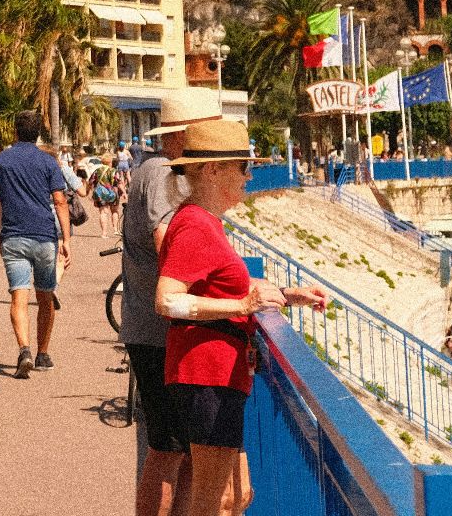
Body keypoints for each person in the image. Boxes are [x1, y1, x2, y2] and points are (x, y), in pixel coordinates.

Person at [158, 119, 327, 516]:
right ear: (213, 170)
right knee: (211, 503)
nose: (250, 176)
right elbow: (167, 300)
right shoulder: (196, 225)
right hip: (206, 375)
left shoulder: (201, 221)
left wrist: (284, 294)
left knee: (234, 495)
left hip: (215, 375)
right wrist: (243, 307)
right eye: (242, 167)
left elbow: (218, 283)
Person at [127, 88, 215, 516]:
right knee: (168, 448)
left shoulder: (156, 169)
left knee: (180, 451)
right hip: (160, 331)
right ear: (187, 134)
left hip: (155, 327)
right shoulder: (163, 173)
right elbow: (170, 248)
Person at [0, 110, 72, 380]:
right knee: (45, 297)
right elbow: (59, 200)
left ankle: (24, 349)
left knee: (18, 296)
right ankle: (42, 354)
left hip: (13, 235)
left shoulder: (2, 160)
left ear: (15, 131)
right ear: (37, 134)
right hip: (45, 235)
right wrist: (66, 238)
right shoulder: (47, 162)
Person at [91, 154, 125, 236]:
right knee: (115, 211)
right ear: (110, 162)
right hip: (113, 193)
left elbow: (91, 182)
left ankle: (104, 233)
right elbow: (119, 183)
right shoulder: (113, 171)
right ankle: (116, 230)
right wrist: (124, 192)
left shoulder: (97, 170)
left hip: (101, 194)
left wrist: (89, 192)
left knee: (103, 213)